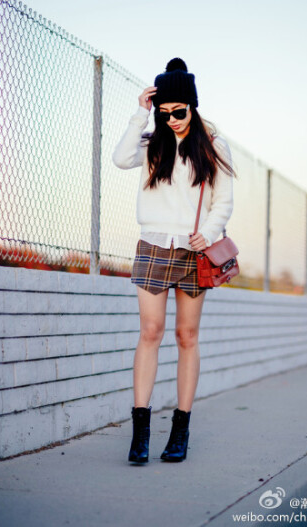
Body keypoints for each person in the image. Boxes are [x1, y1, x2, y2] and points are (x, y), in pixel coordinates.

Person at [112, 58, 236, 464]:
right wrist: (141, 114)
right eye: (165, 114)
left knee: (187, 336)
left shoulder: (214, 145)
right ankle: (140, 433)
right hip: (152, 245)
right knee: (150, 331)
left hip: (193, 251)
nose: (173, 120)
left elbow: (223, 200)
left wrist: (211, 231)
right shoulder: (152, 142)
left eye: (179, 112)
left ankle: (180, 430)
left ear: (193, 107)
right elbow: (119, 159)